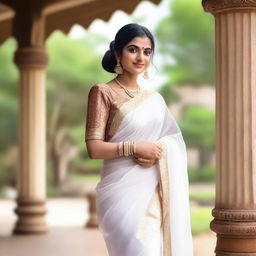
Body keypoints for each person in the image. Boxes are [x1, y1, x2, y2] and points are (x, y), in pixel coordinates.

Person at [85, 23, 193, 256]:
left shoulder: (155, 99)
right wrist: (135, 147)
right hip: (120, 195)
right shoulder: (103, 91)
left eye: (147, 51)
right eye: (133, 49)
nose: (141, 57)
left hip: (152, 191)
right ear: (117, 53)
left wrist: (157, 151)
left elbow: (172, 139)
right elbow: (94, 148)